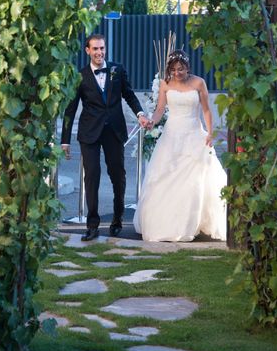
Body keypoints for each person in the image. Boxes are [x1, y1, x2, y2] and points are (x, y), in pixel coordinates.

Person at [62, 34, 151, 241]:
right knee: (91, 177)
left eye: (102, 48)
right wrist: (65, 141)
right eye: (95, 49)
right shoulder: (80, 76)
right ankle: (92, 225)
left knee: (117, 176)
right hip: (89, 132)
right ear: (87, 51)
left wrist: (139, 114)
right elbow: (70, 109)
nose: (99, 52)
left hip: (114, 131)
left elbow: (128, 94)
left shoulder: (116, 70)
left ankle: (118, 218)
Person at [133, 50, 227, 241]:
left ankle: (192, 222)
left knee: (196, 179)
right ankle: (167, 224)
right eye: (174, 69)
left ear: (187, 67)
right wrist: (152, 121)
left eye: (181, 69)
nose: (178, 73)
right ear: (170, 69)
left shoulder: (199, 82)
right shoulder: (165, 84)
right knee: (165, 175)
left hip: (193, 133)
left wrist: (210, 133)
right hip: (172, 134)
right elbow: (160, 109)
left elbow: (207, 110)